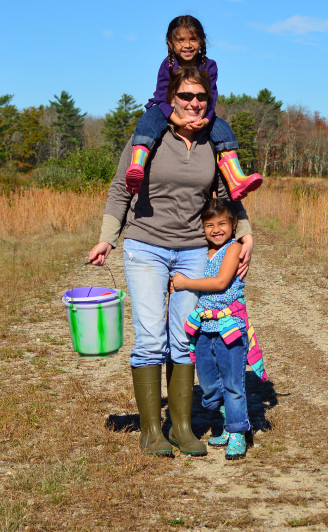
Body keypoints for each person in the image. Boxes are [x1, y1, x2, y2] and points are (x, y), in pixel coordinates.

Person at [88, 65, 253, 457]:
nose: (194, 104)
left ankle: (180, 427)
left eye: (200, 97)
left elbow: (231, 193)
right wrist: (106, 239)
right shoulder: (150, 135)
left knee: (184, 337)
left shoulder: (214, 140)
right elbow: (118, 189)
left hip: (194, 249)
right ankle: (150, 432)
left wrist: (245, 231)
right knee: (150, 338)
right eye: (186, 96)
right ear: (172, 99)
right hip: (145, 245)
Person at [169, 199, 267, 460]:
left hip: (228, 327)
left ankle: (237, 432)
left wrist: (184, 283)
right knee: (210, 384)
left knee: (234, 383)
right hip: (204, 328)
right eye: (209, 224)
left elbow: (221, 281)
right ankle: (227, 420)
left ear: (234, 225)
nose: (215, 229)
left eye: (222, 223)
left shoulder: (234, 249)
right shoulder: (201, 251)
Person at [125, 15, 262, 201]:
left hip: (201, 111)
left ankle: (236, 179)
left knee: (222, 128)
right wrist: (176, 119)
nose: (187, 45)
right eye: (180, 40)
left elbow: (211, 97)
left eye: (193, 39)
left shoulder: (209, 66)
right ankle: (137, 167)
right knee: (149, 119)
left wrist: (206, 120)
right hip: (168, 108)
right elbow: (161, 97)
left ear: (202, 41)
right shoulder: (168, 65)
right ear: (170, 42)